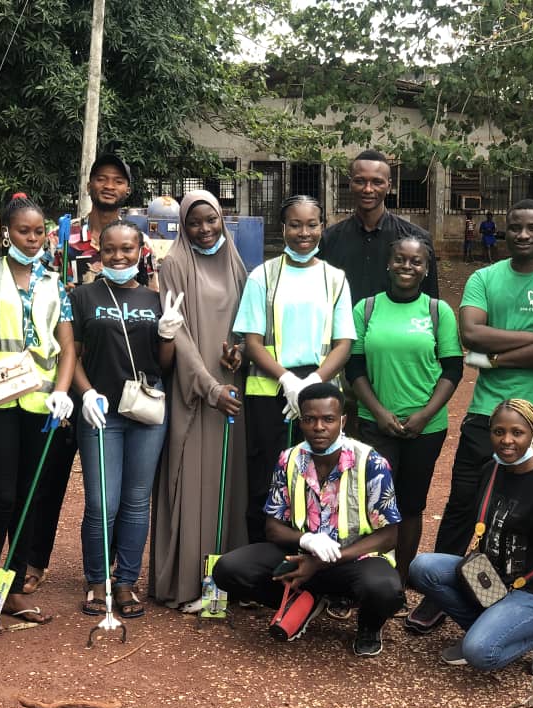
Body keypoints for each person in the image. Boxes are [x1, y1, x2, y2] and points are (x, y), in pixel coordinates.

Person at [405, 199, 533, 635]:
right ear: (506, 230)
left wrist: (498, 359)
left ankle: (531, 603)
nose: (523, 234)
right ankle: (444, 596)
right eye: (516, 226)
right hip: (486, 412)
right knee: (463, 504)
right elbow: (471, 333)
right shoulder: (484, 278)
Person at [212, 382, 404, 656]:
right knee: (228, 569)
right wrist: (306, 540)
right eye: (310, 419)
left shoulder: (371, 462)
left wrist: (325, 561)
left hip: (354, 560)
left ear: (342, 421)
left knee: (385, 590)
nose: (319, 427)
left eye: (328, 419)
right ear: (300, 422)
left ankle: (369, 625)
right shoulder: (288, 460)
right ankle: (304, 600)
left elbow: (388, 536)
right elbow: (272, 528)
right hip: (301, 557)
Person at [408, 399, 533, 674]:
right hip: (488, 578)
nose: (507, 440)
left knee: (481, 653)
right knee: (422, 568)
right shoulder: (491, 470)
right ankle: (489, 627)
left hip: (530, 589)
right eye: (498, 432)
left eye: (517, 432)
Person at [0, 193, 76, 626]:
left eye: (38, 232)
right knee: (3, 497)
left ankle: (9, 592)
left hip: (41, 404)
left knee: (29, 499)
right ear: (5, 233)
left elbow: (67, 347)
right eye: (23, 231)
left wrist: (62, 392)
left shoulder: (54, 282)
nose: (32, 239)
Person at [71, 220, 181, 619]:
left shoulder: (155, 299)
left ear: (140, 252)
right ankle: (97, 579)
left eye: (127, 249)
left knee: (136, 501)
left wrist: (167, 335)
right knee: (102, 502)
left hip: (146, 411)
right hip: (100, 411)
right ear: (99, 253)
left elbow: (163, 365)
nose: (118, 257)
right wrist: (86, 393)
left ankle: (126, 581)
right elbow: (72, 356)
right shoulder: (83, 296)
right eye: (110, 250)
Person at [347, 237, 463, 612]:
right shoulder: (366, 309)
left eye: (416, 261)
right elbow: (355, 367)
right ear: (389, 263)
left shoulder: (438, 311)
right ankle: (367, 579)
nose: (407, 267)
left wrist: (425, 415)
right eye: (400, 259)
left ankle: (398, 581)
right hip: (374, 423)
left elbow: (452, 368)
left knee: (411, 504)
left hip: (425, 427)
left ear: (426, 269)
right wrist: (379, 412)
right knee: (373, 504)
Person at [233, 195, 356, 543]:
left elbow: (343, 343)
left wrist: (311, 383)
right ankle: (262, 561)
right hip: (270, 390)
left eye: (312, 225)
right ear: (283, 227)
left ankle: (315, 560)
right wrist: (287, 379)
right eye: (295, 225)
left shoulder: (335, 279)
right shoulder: (263, 276)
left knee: (319, 477)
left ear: (322, 227)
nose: (304, 232)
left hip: (320, 392)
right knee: (267, 477)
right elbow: (252, 341)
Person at [151, 190, 249, 611]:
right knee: (192, 481)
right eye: (194, 222)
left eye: (211, 220)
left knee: (229, 483)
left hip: (232, 387)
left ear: (222, 219)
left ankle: (229, 582)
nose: (204, 229)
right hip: (195, 391)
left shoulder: (236, 263)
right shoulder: (174, 264)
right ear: (183, 226)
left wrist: (239, 352)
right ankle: (191, 582)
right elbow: (179, 335)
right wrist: (209, 388)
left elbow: (247, 323)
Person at [320, 149, 438, 303]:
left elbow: (430, 302)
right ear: (350, 184)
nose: (368, 189)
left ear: (389, 186)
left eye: (377, 182)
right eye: (360, 181)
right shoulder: (328, 240)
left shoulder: (417, 239)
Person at [58, 152, 156, 289]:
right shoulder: (60, 237)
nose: (109, 186)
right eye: (101, 179)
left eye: (118, 181)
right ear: (88, 186)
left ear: (128, 191)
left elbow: (150, 294)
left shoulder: (141, 243)